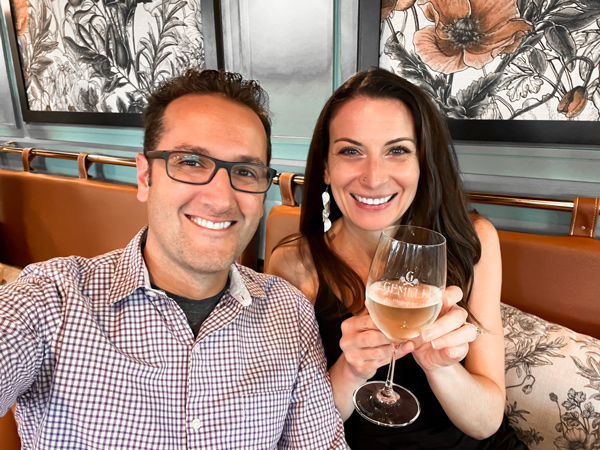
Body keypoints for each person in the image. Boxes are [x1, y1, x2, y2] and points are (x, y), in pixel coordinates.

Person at [0, 69, 348, 450]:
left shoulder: (289, 312)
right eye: (191, 163)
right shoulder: (52, 300)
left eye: (245, 172)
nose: (220, 199)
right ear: (145, 177)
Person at [267, 68, 528, 449]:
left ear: (423, 162)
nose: (374, 177)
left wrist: (440, 366)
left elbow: (486, 421)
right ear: (325, 166)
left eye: (397, 150)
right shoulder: (293, 264)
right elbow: (293, 429)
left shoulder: (473, 241)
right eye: (350, 151)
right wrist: (351, 370)